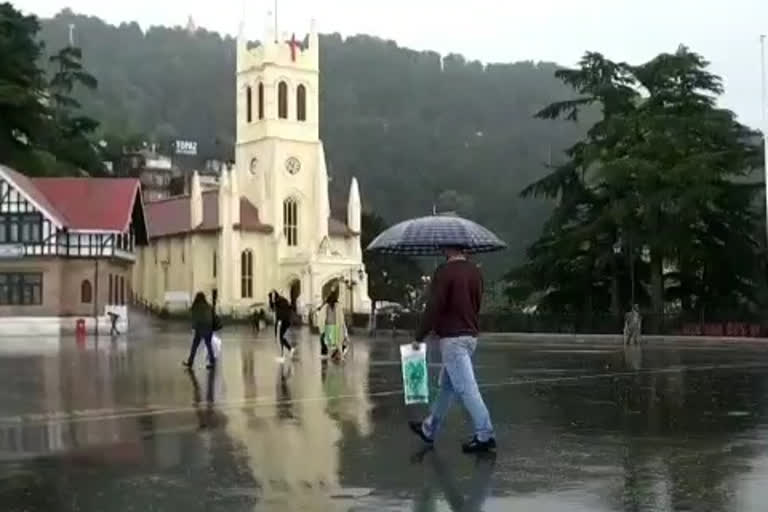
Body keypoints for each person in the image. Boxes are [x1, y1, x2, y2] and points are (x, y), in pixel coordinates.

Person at [408, 247, 496, 453]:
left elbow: (434, 306)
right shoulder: (475, 272)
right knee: (447, 387)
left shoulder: (444, 272)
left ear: (448, 248)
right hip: (470, 337)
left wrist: (419, 336)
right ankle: (429, 428)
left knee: (467, 388)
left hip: (453, 340)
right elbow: (474, 304)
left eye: (443, 246)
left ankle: (485, 435)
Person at [183, 291, 216, 370]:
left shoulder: (196, 306)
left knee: (194, 346)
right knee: (208, 345)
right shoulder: (208, 306)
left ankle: (190, 361)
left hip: (200, 328)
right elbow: (212, 317)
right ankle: (212, 362)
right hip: (208, 328)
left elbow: (193, 317)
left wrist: (193, 327)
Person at [316, 287, 349, 360]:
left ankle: (337, 354)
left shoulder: (328, 306)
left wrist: (322, 326)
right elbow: (341, 317)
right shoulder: (335, 306)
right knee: (335, 343)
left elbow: (321, 316)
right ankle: (338, 354)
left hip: (330, 325)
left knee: (333, 343)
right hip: (333, 325)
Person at [269, 290, 294, 359]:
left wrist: (280, 320)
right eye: (271, 296)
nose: (272, 298)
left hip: (282, 321)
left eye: (273, 296)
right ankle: (290, 349)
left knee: (278, 338)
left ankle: (282, 355)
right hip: (285, 321)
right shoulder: (280, 300)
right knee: (280, 337)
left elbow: (283, 311)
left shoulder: (280, 301)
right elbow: (272, 307)